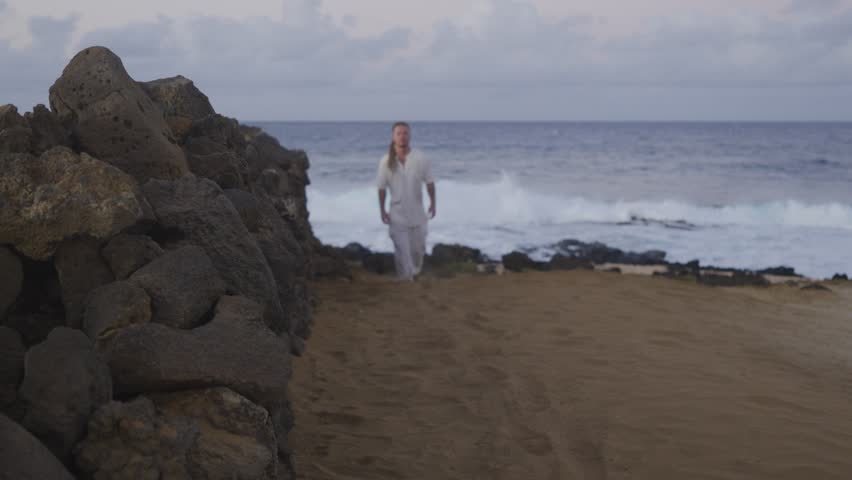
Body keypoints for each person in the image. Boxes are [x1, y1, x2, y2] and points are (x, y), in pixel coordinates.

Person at [376, 122, 436, 281]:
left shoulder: (421, 158)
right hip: (397, 216)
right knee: (402, 252)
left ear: (410, 135)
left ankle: (414, 273)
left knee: (418, 252)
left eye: (405, 133)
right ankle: (406, 282)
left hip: (418, 215)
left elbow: (430, 183)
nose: (402, 136)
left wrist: (433, 203)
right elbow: (381, 188)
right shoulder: (385, 161)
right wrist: (382, 211)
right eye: (399, 133)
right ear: (393, 136)